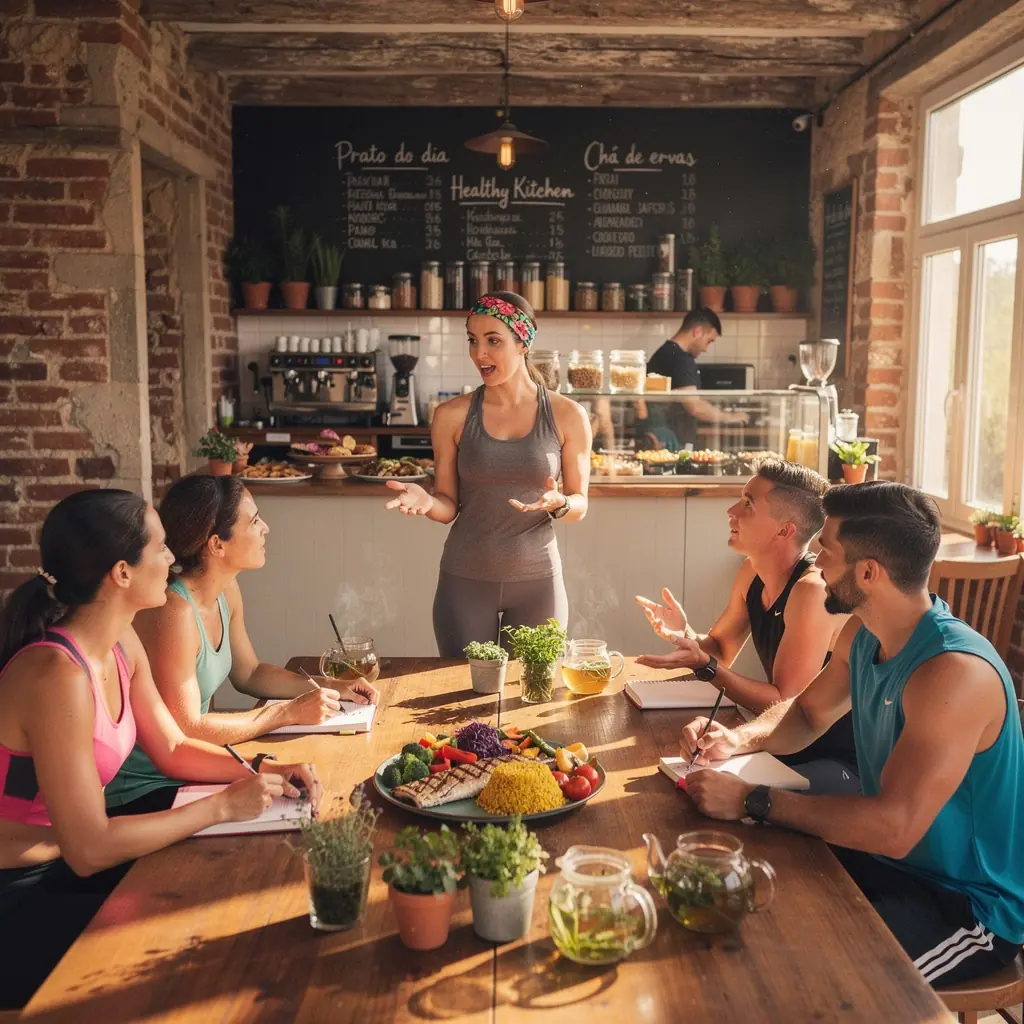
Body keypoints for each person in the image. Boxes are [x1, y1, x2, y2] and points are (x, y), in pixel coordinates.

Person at [679, 482, 1024, 987]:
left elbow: (894, 827)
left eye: (827, 550)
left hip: (967, 909)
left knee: (813, 978)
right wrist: (738, 739)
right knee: (738, 902)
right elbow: (806, 716)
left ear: (868, 572)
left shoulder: (952, 674)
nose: (816, 563)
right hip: (887, 863)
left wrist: (755, 800)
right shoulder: (864, 633)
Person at [0, 490, 320, 1010]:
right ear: (121, 573)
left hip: (63, 869)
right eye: (161, 547)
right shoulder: (56, 676)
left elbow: (171, 746)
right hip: (19, 895)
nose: (173, 558)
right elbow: (89, 848)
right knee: (204, 948)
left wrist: (264, 768)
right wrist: (219, 805)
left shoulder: (122, 641)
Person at [105, 476, 378, 816]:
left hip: (193, 771)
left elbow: (249, 673)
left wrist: (331, 686)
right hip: (145, 788)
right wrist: (284, 713)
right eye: (254, 520)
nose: (266, 528)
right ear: (217, 544)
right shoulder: (174, 612)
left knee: (316, 793)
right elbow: (187, 727)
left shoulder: (226, 591)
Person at [383, 291, 593, 658]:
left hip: (538, 582)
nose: (479, 353)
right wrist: (427, 501)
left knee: (535, 692)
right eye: (473, 340)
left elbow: (580, 505)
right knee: (460, 700)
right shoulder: (451, 415)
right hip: (464, 581)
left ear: (523, 343)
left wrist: (560, 503)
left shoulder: (567, 415)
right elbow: (449, 506)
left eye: (493, 341)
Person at [635, 459, 858, 794]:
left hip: (832, 760)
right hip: (780, 747)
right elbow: (721, 650)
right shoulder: (750, 573)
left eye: (748, 504)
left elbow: (785, 702)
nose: (731, 510)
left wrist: (705, 665)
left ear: (784, 530)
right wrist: (687, 638)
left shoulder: (811, 590)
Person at [637, 307, 747, 451]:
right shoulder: (680, 359)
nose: (706, 348)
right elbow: (695, 407)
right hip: (670, 442)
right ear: (697, 331)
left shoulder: (666, 352)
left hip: (662, 437)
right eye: (709, 341)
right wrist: (731, 417)